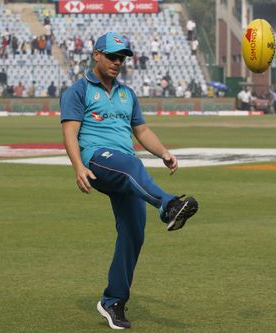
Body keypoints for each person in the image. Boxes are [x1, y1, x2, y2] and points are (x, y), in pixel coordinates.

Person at [60, 32, 198, 330]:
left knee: (134, 232)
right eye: (112, 56)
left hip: (124, 169)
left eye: (121, 57)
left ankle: (113, 301)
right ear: (96, 55)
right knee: (131, 166)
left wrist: (164, 152)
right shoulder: (79, 91)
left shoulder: (127, 94)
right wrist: (78, 166)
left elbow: (142, 131)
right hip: (97, 159)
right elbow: (70, 131)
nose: (117, 62)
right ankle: (169, 206)